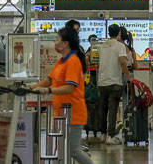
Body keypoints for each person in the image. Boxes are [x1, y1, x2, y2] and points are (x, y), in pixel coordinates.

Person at [30, 27, 93, 164]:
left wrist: (48, 91)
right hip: (61, 114)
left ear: (65, 43)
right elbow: (49, 80)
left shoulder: (73, 61)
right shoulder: (62, 61)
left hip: (73, 113)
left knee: (74, 150)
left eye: (57, 39)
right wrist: (31, 87)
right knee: (60, 150)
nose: (56, 43)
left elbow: (70, 87)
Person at [95, 23, 129, 145]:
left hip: (102, 81)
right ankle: (111, 136)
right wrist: (128, 76)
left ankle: (103, 134)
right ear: (119, 33)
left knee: (103, 109)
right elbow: (122, 62)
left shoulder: (102, 46)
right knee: (113, 109)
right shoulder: (120, 46)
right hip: (115, 81)